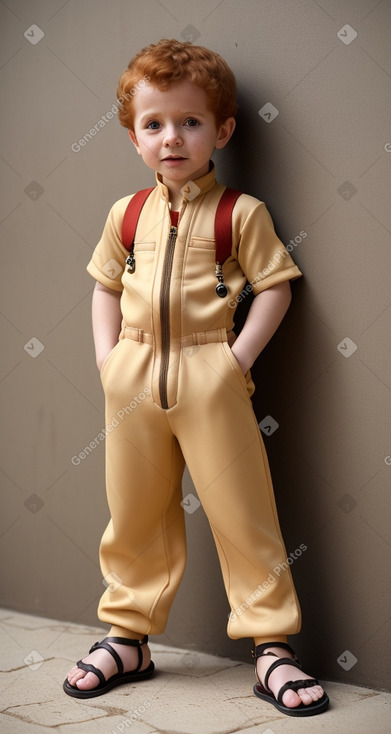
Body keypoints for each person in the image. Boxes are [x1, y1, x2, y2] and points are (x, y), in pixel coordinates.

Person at [64, 39, 329, 716]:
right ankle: (129, 636)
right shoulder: (126, 214)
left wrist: (234, 361)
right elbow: (101, 287)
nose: (171, 138)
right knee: (134, 512)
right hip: (132, 375)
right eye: (153, 124)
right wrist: (107, 359)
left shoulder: (239, 213)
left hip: (210, 373)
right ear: (133, 137)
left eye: (189, 122)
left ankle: (270, 647)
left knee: (243, 512)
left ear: (222, 130)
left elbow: (275, 288)